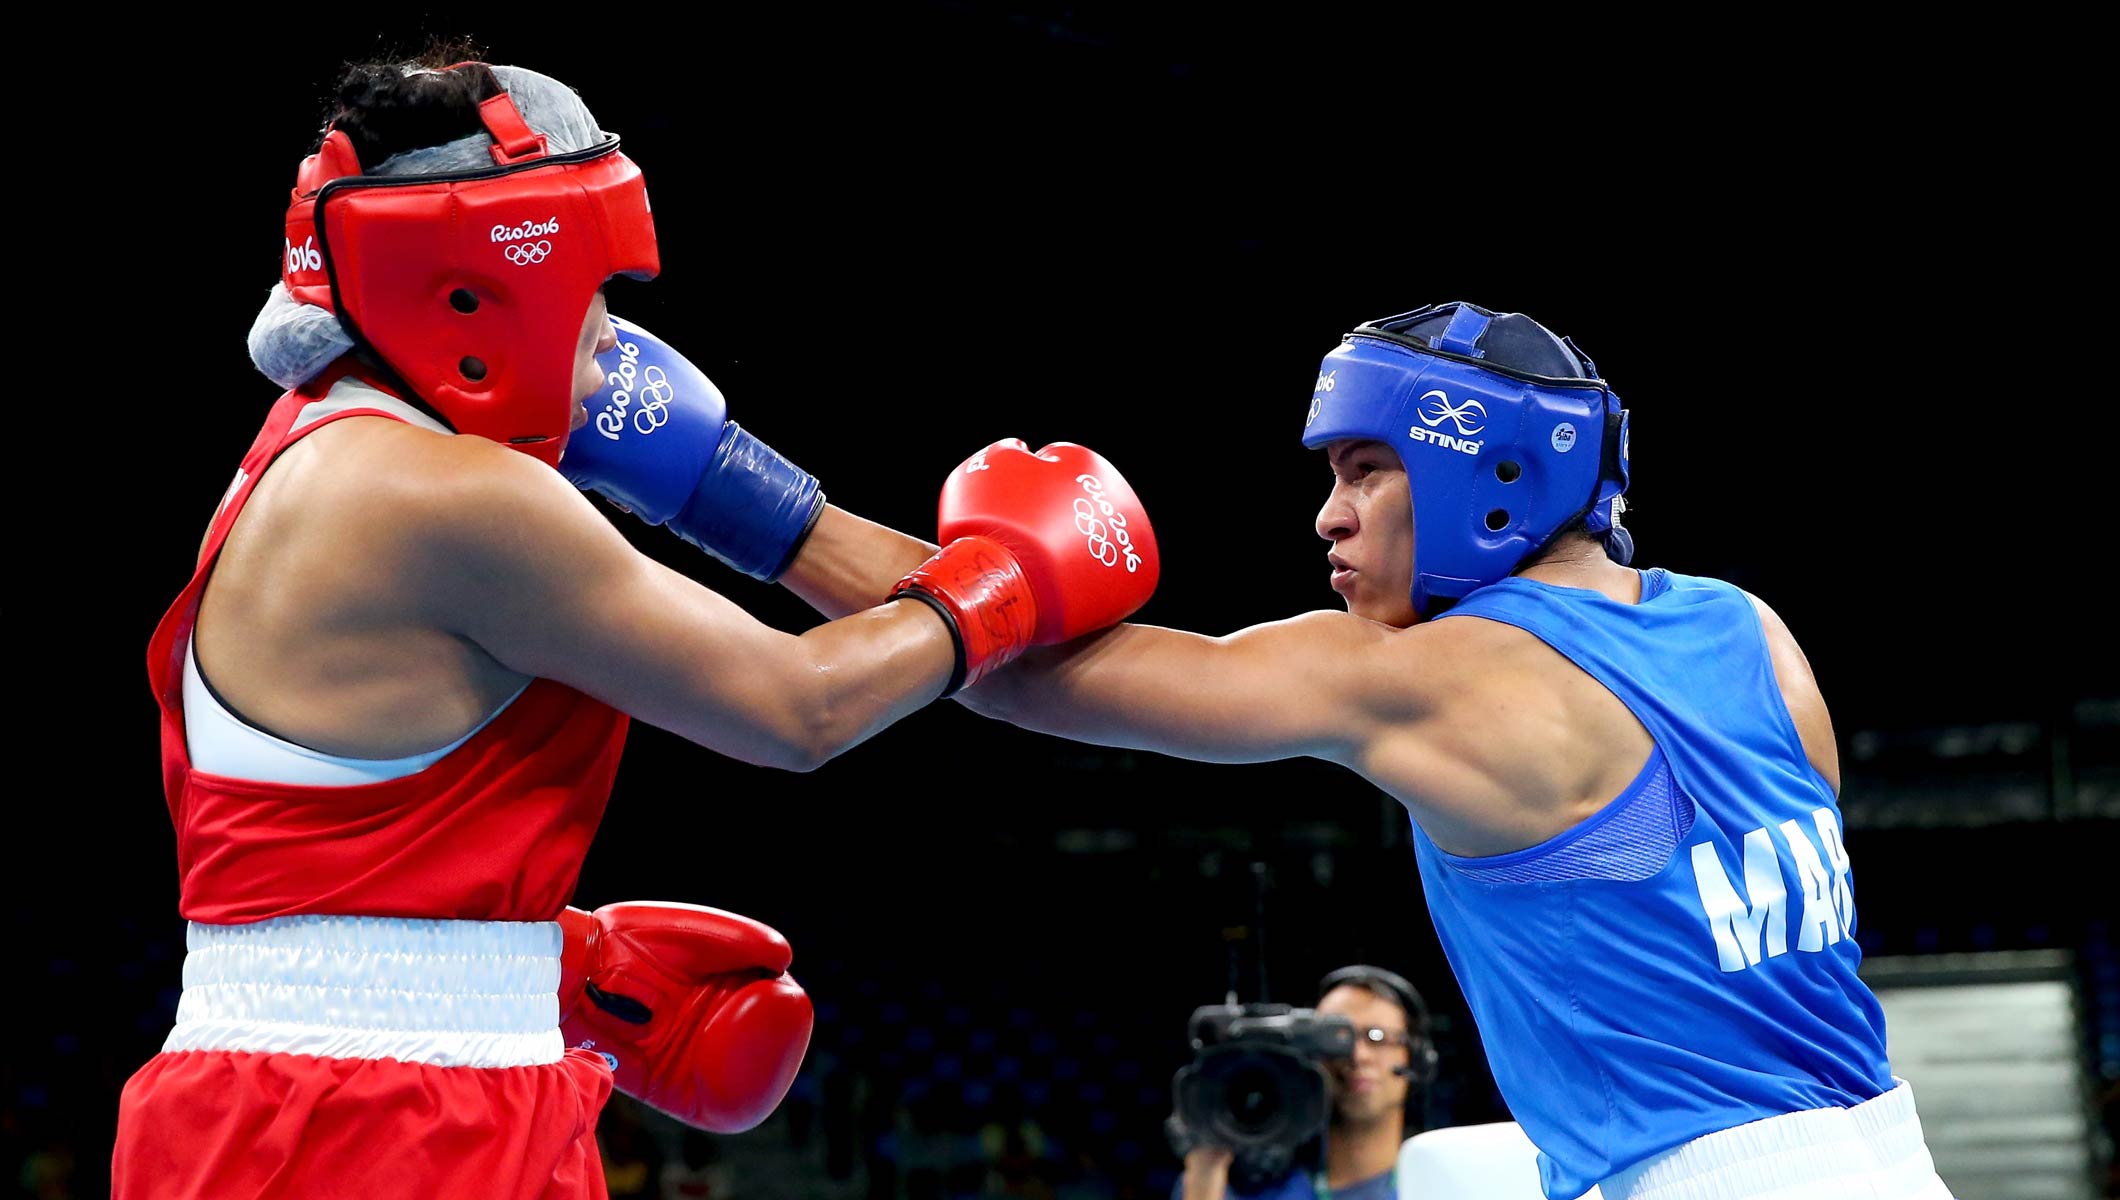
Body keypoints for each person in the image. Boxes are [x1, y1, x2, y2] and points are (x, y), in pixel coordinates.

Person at [116, 51, 1156, 1199]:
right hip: (370, 1118)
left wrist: (533, 961)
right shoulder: (446, 496)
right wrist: (999, 585)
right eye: (595, 293)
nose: (611, 336)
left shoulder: (309, 451)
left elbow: (311, 846)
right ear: (481, 287)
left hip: (358, 1092)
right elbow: (795, 708)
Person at [744, 301, 1954, 1200]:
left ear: (1484, 471)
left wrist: (726, 488)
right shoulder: (1750, 628)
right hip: (1887, 1154)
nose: (1328, 516)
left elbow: (1027, 680)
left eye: (1364, 471)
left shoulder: (1430, 676)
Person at [1177, 967, 1438, 1200]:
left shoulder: (1443, 1183)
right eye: (1338, 1038)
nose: (1358, 1056)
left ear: (1415, 1058)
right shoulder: (1228, 1184)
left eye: (1377, 1037)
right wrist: (1205, 1175)